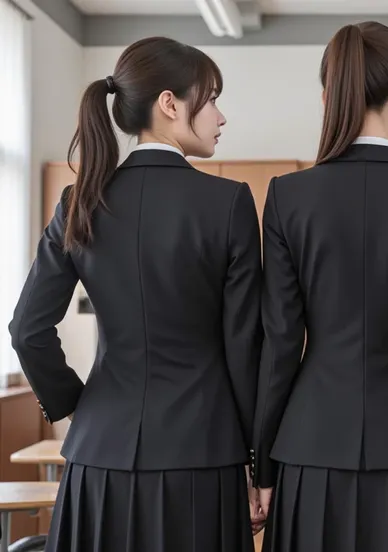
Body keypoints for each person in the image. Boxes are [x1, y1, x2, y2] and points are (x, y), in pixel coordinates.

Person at [9, 37, 263, 552]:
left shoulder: (80, 202)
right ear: (170, 104)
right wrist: (257, 461)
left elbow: (27, 330)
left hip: (100, 455)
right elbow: (245, 346)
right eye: (211, 98)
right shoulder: (227, 203)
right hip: (203, 455)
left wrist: (78, 406)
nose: (221, 116)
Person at [252, 21, 388, 552]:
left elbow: (280, 342)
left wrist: (260, 462)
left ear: (328, 96)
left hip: (310, 447)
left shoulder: (288, 197)